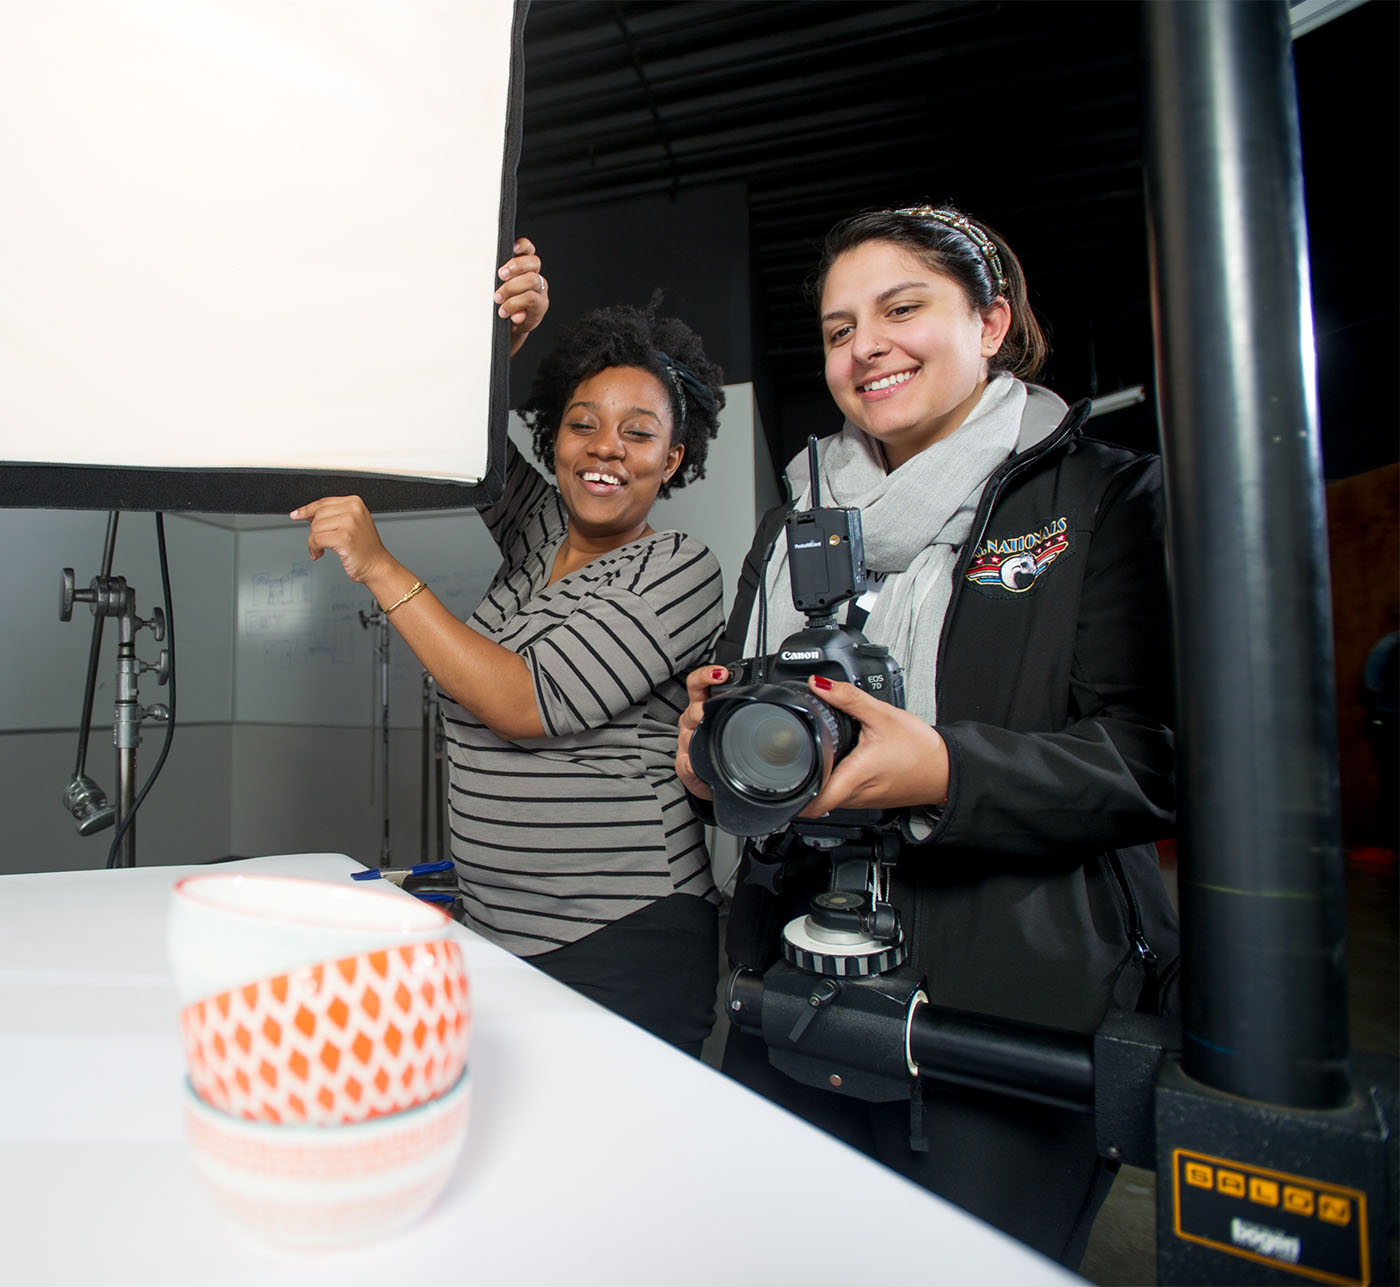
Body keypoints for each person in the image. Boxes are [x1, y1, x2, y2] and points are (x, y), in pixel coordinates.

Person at [675, 204, 1180, 1264]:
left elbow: (1148, 759)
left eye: (901, 309)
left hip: (1010, 1001)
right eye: (836, 328)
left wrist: (944, 770)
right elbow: (755, 711)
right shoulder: (796, 514)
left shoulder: (1100, 497)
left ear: (989, 322)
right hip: (796, 972)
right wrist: (713, 749)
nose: (865, 347)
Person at [294, 241, 728, 1056]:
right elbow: (466, 445)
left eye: (638, 434)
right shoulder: (536, 539)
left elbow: (525, 701)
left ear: (672, 459)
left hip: (625, 936)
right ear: (555, 436)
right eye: (582, 424)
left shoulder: (676, 568)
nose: (605, 448)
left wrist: (380, 567)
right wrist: (504, 341)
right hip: (502, 932)